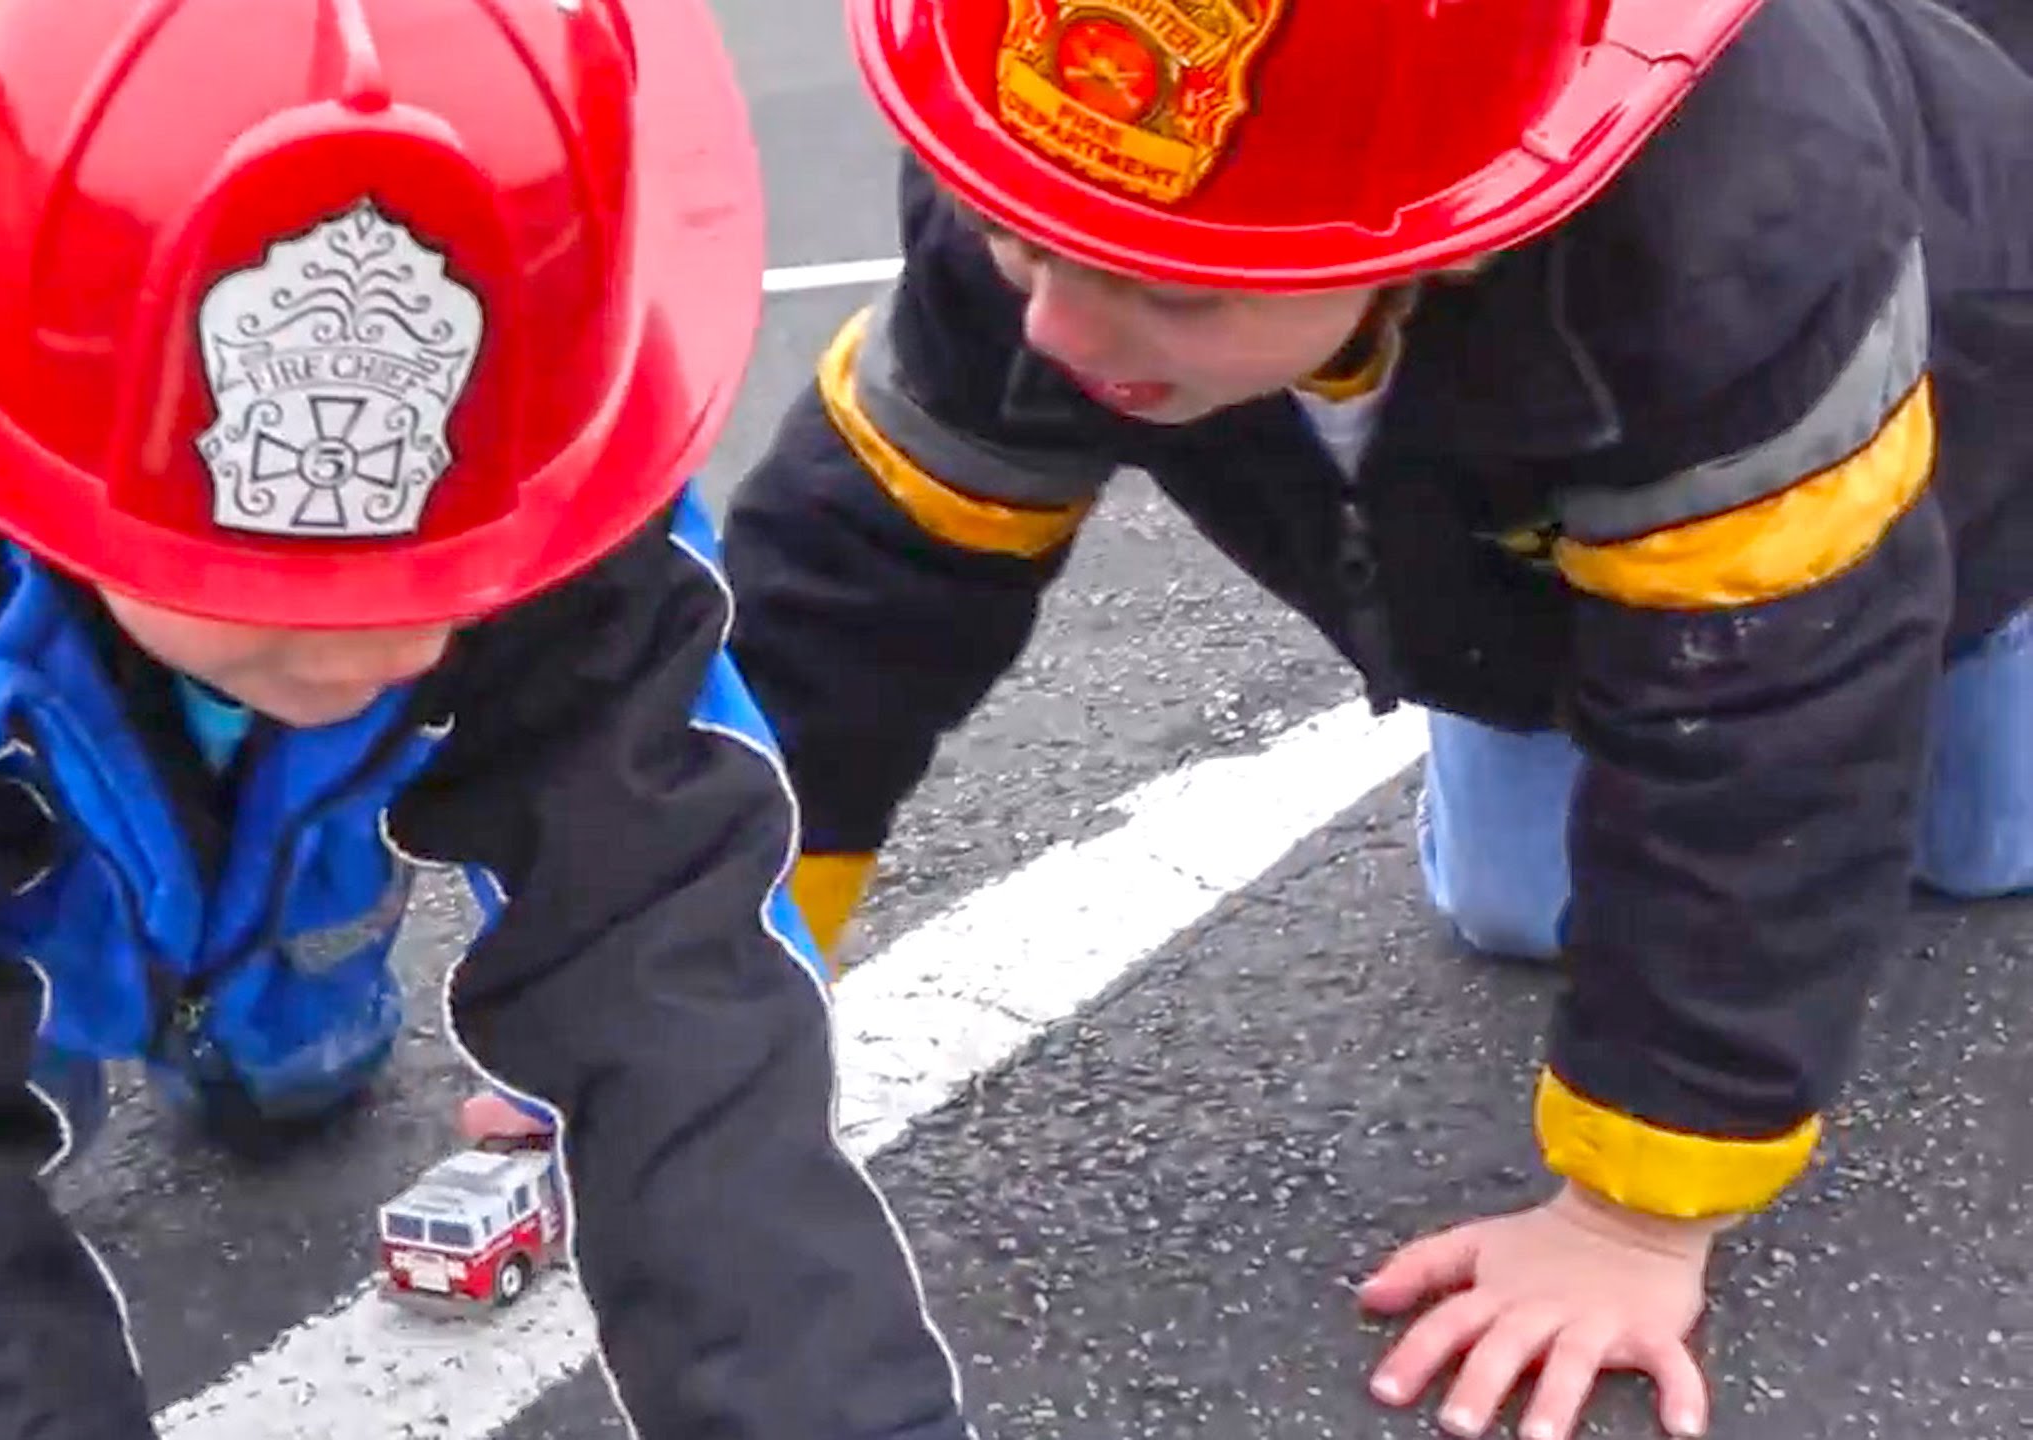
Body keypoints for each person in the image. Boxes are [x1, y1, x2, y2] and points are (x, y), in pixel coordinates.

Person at [0, 0, 975, 1436]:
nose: (387, 645)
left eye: (450, 583)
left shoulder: (556, 451)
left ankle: (242, 963)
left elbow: (677, 986)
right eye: (280, 594)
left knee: (288, 1082)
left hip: (281, 829)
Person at [716, 0, 2033, 1437]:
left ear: (1450, 236)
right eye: (1023, 246)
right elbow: (853, 591)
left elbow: (1776, 722)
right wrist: (690, 970)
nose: (1058, 330)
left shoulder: (1729, 241)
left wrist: (1634, 1225)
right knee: (1525, 909)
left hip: (1967, 455)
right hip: (1535, 526)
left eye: (1178, 292)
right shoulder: (1056, 159)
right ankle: (1585, 615)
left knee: (1967, 837)